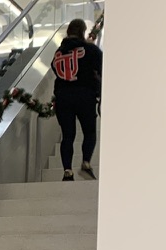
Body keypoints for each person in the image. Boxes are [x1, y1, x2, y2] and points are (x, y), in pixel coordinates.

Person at [52, 18, 102, 181]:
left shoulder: (58, 53)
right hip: (85, 95)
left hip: (63, 98)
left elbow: (56, 70)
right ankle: (86, 162)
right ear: (82, 31)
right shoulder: (90, 50)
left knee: (68, 135)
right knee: (89, 132)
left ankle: (67, 171)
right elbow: (103, 69)